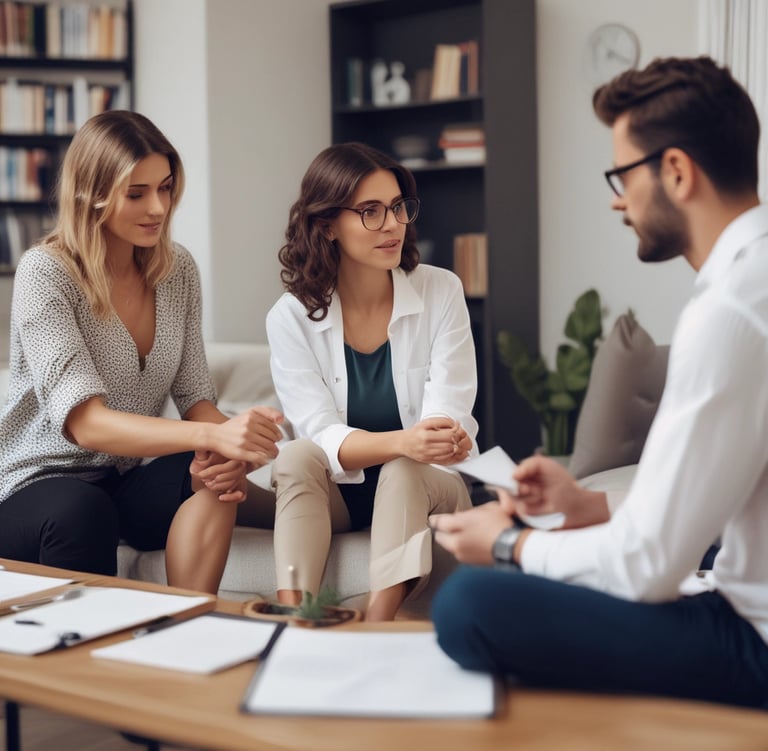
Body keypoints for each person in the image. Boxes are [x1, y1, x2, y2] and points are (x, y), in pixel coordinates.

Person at [429, 56, 768, 708]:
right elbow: (721, 486)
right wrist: (587, 508)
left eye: (623, 175)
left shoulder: (731, 309)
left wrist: (509, 543)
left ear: (676, 171)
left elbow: (649, 566)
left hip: (753, 640)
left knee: (468, 600)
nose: (618, 198)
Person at [0, 110, 282, 594]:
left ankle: (189, 617)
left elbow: (196, 397)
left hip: (122, 478)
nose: (158, 207)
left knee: (213, 470)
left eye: (165, 188)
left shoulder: (177, 271)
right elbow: (86, 424)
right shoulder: (44, 273)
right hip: (34, 485)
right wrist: (213, 434)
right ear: (91, 194)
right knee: (84, 510)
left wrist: (238, 443)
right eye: (137, 194)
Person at [266, 142, 478, 621]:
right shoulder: (290, 317)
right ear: (327, 225)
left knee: (404, 467)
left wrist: (421, 443)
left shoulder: (440, 290)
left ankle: (375, 627)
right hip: (342, 494)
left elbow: (445, 418)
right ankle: (296, 620)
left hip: (429, 486)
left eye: (399, 207)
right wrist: (403, 440)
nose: (392, 224)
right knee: (296, 455)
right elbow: (318, 434)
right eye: (371, 211)